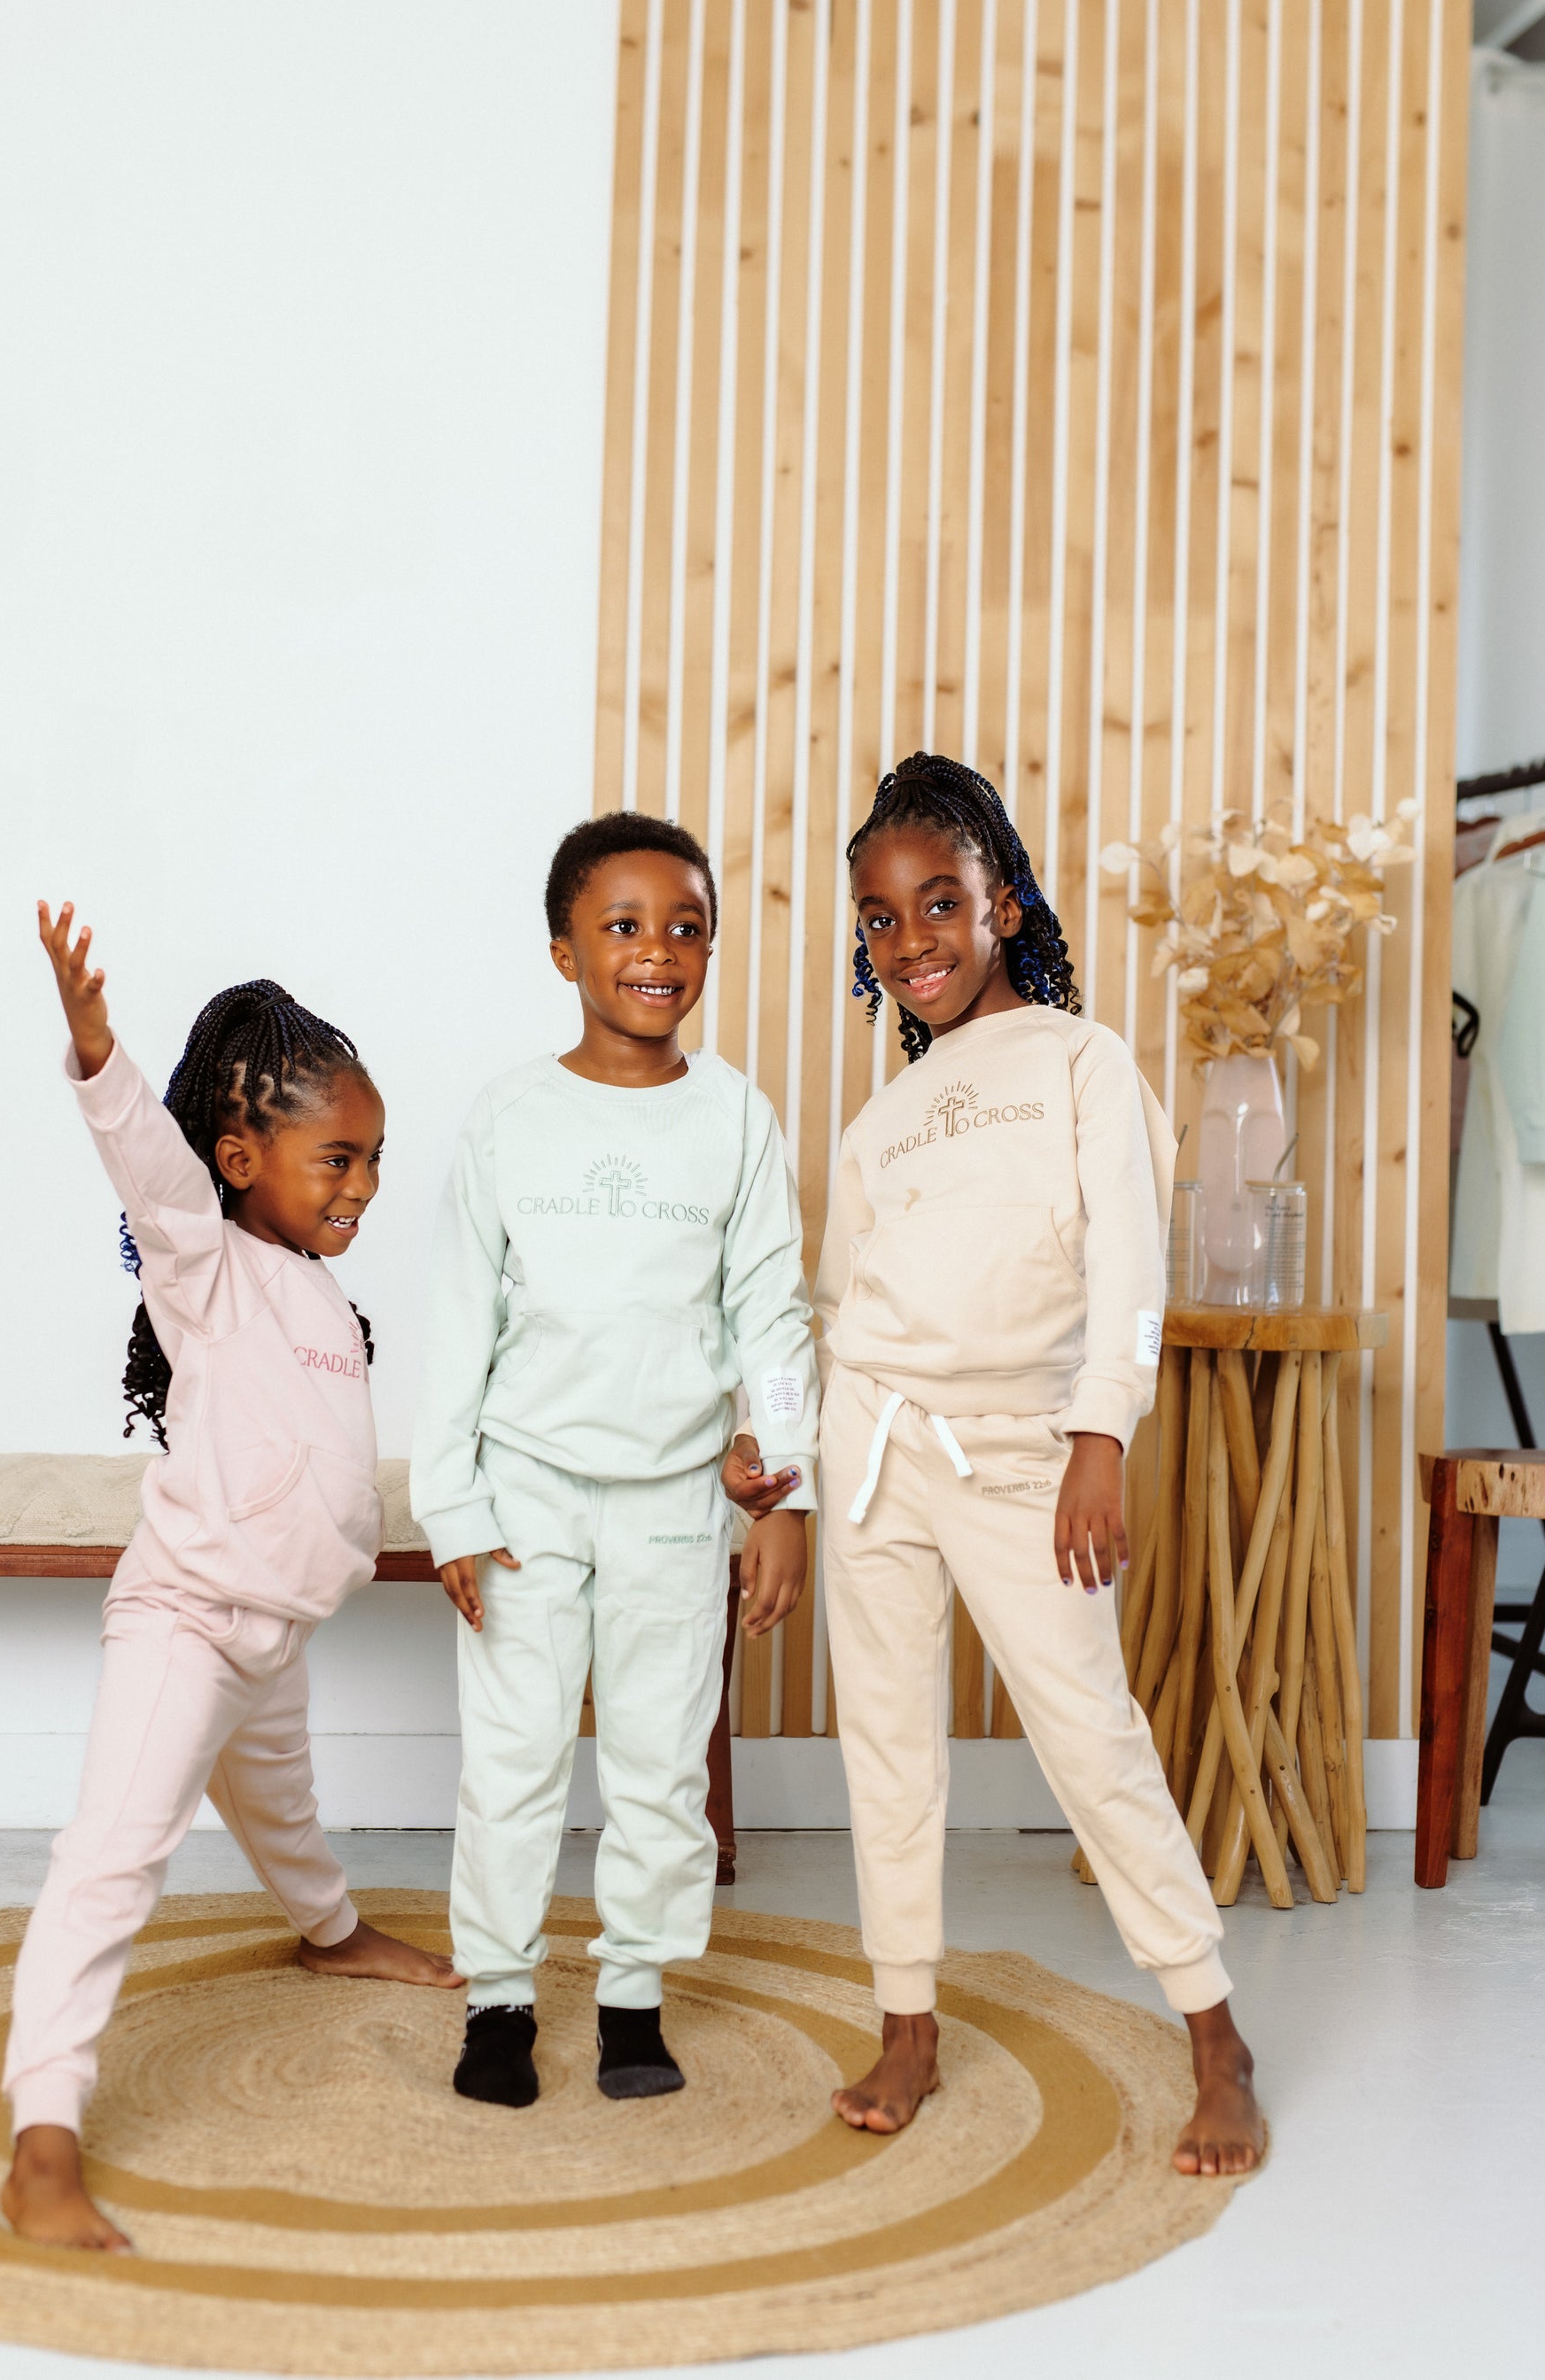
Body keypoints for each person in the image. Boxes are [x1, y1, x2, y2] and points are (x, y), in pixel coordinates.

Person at [815, 756, 1264, 2176]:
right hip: (873, 1445)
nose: (911, 941)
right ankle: (908, 2018)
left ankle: (1213, 2030)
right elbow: (836, 1309)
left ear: (999, 902)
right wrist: (794, 1465)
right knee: (885, 1746)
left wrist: (1098, 1435)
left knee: (1087, 1731)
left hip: (1023, 1452)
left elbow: (1129, 1264)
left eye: (937, 902)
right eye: (879, 921)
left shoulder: (1082, 1060)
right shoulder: (878, 1123)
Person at [3, 903, 462, 2254]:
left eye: (375, 1161)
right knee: (113, 1859)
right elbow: (149, 1170)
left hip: (273, 1636)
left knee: (286, 1812)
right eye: (337, 1159)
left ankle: (327, 1930)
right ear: (241, 1154)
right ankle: (43, 2137)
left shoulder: (322, 1295)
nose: (361, 1187)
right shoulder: (203, 1264)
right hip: (190, 1623)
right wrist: (100, 1058)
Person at [411, 811, 819, 2109]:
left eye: (686, 926)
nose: (658, 951)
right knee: (515, 1755)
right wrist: (453, 1507)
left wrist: (783, 1486)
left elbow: (771, 1309)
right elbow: (457, 1321)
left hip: (677, 1497)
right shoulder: (508, 1121)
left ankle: (635, 1991)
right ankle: (499, 1998)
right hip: (524, 1487)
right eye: (623, 925)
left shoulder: (736, 1118)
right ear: (562, 950)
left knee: (659, 1759)